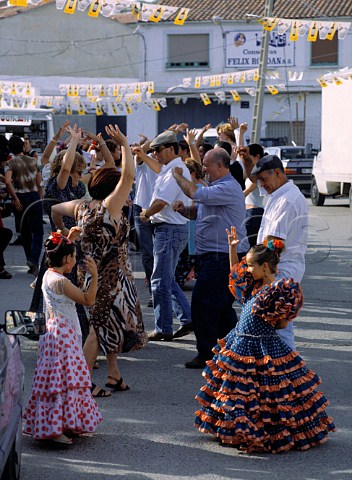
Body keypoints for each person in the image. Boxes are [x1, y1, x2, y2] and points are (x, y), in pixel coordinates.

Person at [194, 227, 335, 453]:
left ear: (266, 267)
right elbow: (235, 273)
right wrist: (232, 248)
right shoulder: (255, 284)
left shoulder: (278, 290)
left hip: (262, 347)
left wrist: (274, 316)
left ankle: (260, 430)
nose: (247, 269)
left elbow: (281, 324)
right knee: (236, 390)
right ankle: (232, 427)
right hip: (239, 342)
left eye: (251, 265)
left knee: (265, 393)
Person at [51, 124, 147, 397]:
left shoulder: (82, 206)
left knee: (110, 322)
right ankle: (81, 384)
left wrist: (61, 235)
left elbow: (55, 210)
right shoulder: (109, 207)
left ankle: (114, 374)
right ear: (111, 189)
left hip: (91, 272)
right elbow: (128, 174)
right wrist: (125, 144)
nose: (123, 188)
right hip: (110, 277)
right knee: (97, 328)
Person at [23, 228, 102, 445]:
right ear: (67, 259)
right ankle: (55, 430)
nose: (76, 260)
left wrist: (70, 238)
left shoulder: (47, 274)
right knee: (64, 383)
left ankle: (60, 424)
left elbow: (61, 252)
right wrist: (94, 276)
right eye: (73, 256)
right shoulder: (61, 282)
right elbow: (87, 299)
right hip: (64, 337)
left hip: (52, 333)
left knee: (56, 381)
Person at [172, 148, 249, 368]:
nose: (203, 168)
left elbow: (195, 194)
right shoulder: (216, 187)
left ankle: (207, 353)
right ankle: (235, 351)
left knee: (203, 304)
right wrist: (185, 211)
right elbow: (201, 211)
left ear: (220, 166)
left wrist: (177, 175)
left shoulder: (227, 187)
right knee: (221, 307)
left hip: (222, 257)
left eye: (206, 164)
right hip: (214, 256)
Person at [250, 154, 308, 349]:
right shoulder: (279, 195)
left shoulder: (287, 200)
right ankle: (280, 371)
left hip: (279, 270)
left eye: (263, 180)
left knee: (280, 326)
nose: (261, 185)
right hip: (275, 268)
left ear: (276, 173)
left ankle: (288, 371)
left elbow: (274, 243)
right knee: (272, 324)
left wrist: (257, 270)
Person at [139, 130, 193, 341]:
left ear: (171, 149)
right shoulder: (171, 167)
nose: (155, 154)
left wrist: (145, 214)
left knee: (159, 280)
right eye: (153, 151)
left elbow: (162, 202)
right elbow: (158, 168)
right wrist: (143, 154)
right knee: (166, 278)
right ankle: (187, 319)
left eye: (158, 150)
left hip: (169, 228)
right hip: (171, 228)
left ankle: (164, 328)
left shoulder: (175, 169)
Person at [4, 135, 44, 276]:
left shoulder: (10, 163)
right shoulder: (33, 161)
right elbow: (39, 182)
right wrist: (40, 196)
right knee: (38, 231)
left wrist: (14, 198)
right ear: (22, 147)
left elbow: (8, 181)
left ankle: (30, 260)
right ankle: (34, 260)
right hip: (33, 196)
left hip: (19, 199)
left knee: (25, 232)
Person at [239, 143, 265, 247]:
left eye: (248, 155)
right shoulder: (252, 171)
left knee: (250, 247)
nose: (246, 158)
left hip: (254, 213)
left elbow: (247, 191)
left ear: (257, 157)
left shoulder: (260, 173)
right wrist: (240, 133)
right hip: (249, 212)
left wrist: (233, 199)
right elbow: (244, 172)